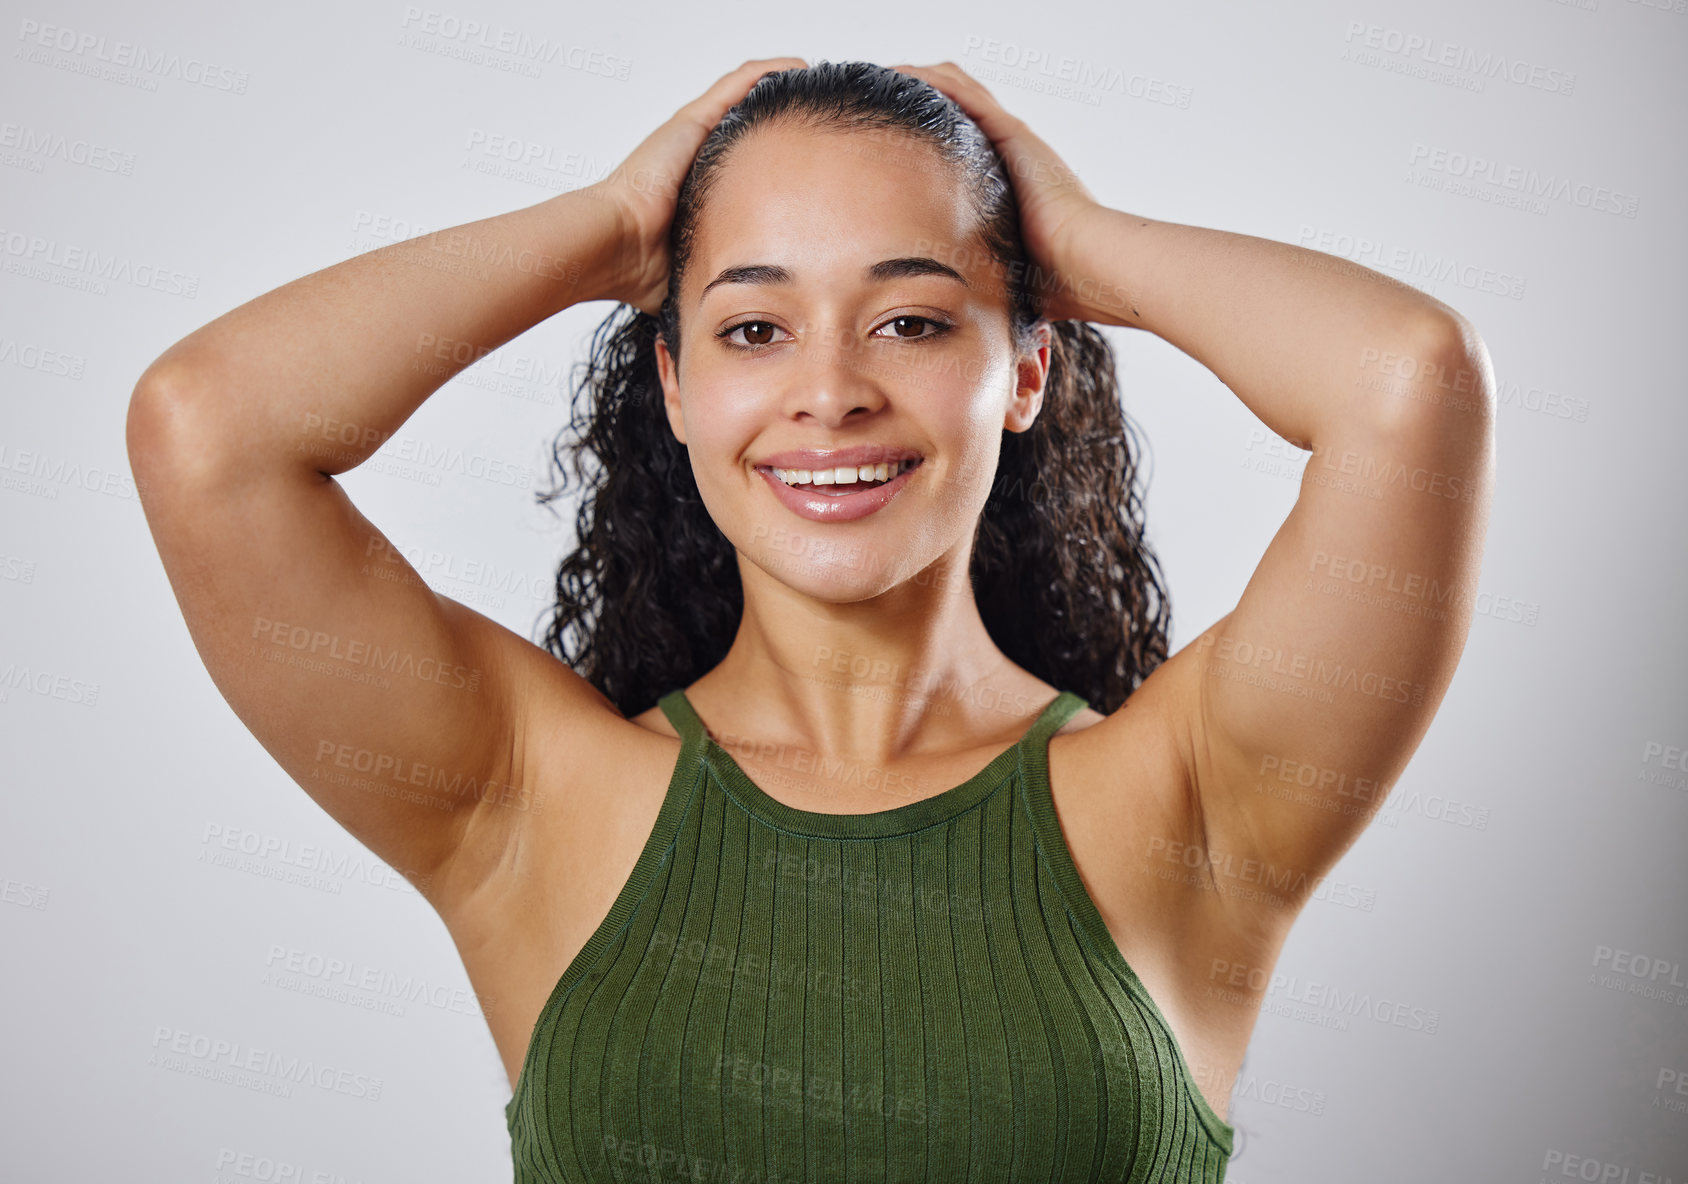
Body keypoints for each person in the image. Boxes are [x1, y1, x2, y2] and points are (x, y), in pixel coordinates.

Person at [127, 57, 1494, 1183]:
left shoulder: (1193, 797)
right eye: (753, 329)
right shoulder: (524, 797)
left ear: (1025, 370)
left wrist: (1070, 246)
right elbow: (209, 432)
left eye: (909, 321)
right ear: (670, 386)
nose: (830, 391)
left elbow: (1407, 383)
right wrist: (612, 227)